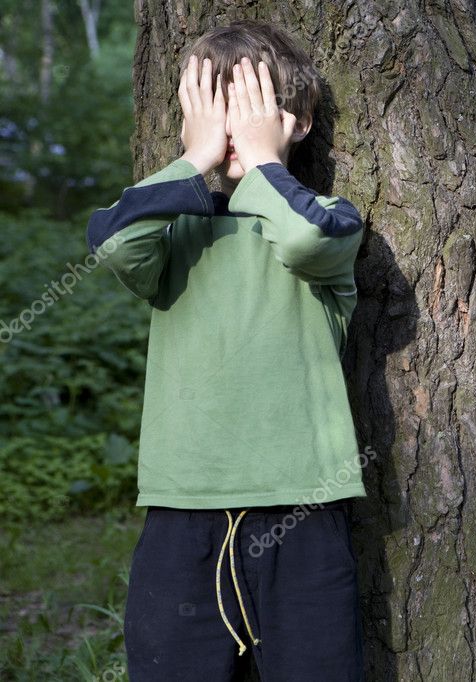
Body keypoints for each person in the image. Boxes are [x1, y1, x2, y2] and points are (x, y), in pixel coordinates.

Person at [85, 21, 366, 681]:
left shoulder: (329, 217)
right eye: (216, 114)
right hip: (184, 507)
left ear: (295, 124)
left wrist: (264, 163)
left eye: (251, 116)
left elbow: (302, 244)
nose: (233, 131)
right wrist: (197, 155)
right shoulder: (170, 230)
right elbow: (115, 244)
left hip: (303, 505)